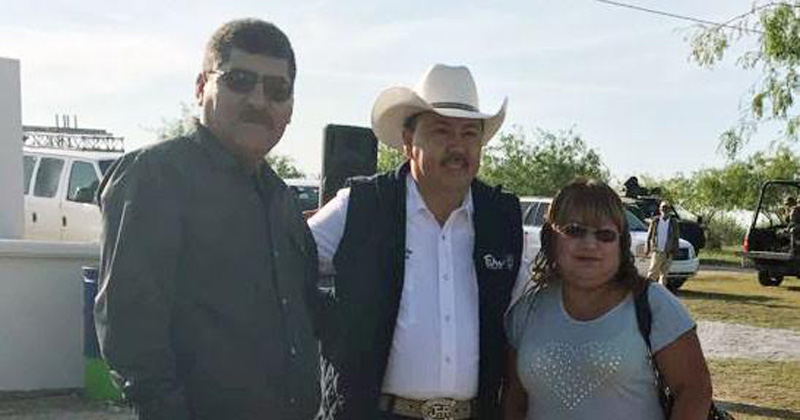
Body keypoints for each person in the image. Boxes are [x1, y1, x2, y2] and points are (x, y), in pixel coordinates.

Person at [94, 19, 320, 420]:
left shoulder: (280, 198)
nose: (259, 100)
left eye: (277, 89)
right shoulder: (156, 176)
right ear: (202, 87)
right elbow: (131, 332)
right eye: (239, 81)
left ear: (291, 106)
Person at [309, 64, 528, 419]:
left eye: (470, 134)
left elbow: (533, 306)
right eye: (442, 131)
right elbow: (286, 266)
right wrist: (334, 325)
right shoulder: (361, 205)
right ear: (408, 142)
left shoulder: (502, 218)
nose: (458, 146)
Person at [502, 178, 713, 420]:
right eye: (574, 231)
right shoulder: (526, 310)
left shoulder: (654, 305)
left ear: (621, 244)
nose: (590, 244)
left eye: (605, 235)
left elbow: (694, 391)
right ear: (551, 237)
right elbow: (514, 400)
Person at [646, 201, 680, 288]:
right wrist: (648, 248)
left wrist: (675, 251)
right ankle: (647, 291)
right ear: (660, 209)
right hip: (657, 251)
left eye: (666, 208)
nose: (664, 210)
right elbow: (649, 235)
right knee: (652, 273)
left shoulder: (673, 222)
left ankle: (661, 292)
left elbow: (676, 238)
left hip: (668, 252)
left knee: (664, 275)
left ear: (669, 210)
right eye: (663, 208)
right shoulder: (655, 221)